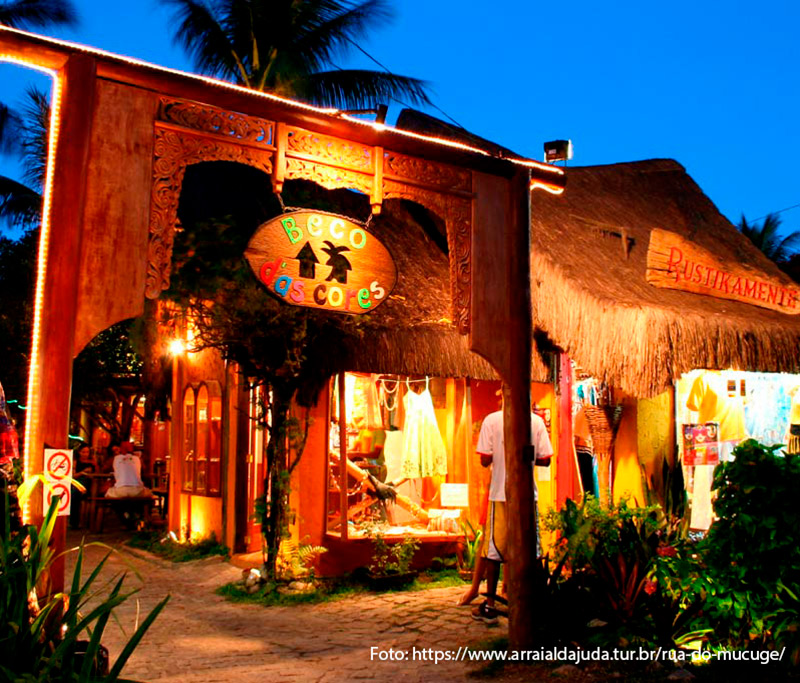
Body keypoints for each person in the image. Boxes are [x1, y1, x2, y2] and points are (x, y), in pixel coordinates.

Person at [470, 392, 553, 625]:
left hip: (500, 493)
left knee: (495, 550)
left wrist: (501, 451)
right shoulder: (536, 422)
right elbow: (546, 459)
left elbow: (484, 459)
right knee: (531, 548)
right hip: (527, 495)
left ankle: (490, 604)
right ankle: (533, 600)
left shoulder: (491, 420)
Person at [70, 443, 97, 529]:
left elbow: (98, 473)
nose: (85, 454)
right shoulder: (75, 462)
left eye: (87, 452)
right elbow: (73, 476)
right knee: (74, 494)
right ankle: (74, 522)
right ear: (79, 452)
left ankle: (77, 522)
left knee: (75, 493)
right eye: (83, 452)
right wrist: (82, 472)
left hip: (90, 484)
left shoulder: (92, 462)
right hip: (78, 482)